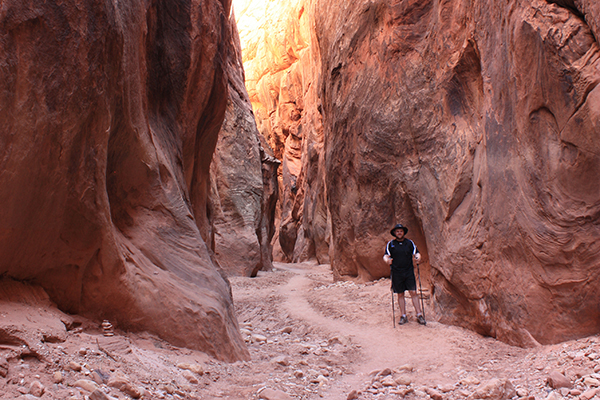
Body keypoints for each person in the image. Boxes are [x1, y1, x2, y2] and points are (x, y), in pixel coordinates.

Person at [383, 223, 426, 325]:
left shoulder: (409, 243)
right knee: (400, 294)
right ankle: (403, 316)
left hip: (408, 272)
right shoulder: (391, 244)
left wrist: (418, 257)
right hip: (397, 272)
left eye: (401, 231)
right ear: (394, 233)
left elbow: (417, 252)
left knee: (413, 292)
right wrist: (387, 261)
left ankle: (419, 314)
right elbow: (385, 255)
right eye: (397, 231)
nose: (399, 233)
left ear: (403, 232)